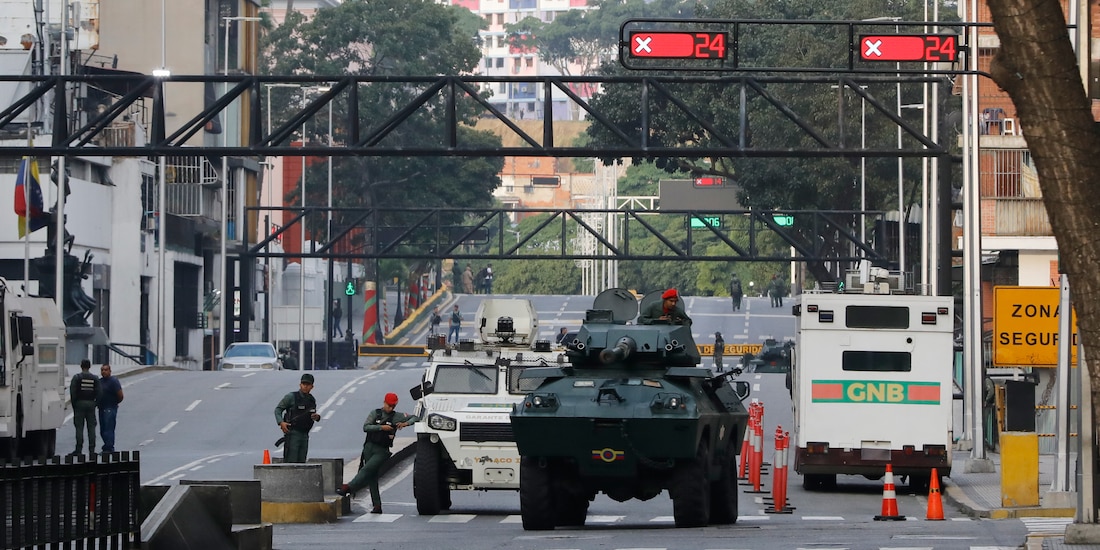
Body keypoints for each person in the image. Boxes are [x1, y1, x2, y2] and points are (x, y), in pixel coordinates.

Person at [337, 392, 419, 513]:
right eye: (389, 405)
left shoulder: (397, 416)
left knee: (366, 470)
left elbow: (415, 417)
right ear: (384, 402)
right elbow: (366, 427)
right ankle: (377, 506)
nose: (390, 408)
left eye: (393, 406)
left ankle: (348, 488)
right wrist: (381, 428)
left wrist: (406, 423)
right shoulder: (375, 413)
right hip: (369, 447)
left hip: (382, 451)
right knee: (372, 477)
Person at [274, 373, 321, 463]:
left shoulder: (311, 400)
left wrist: (316, 417)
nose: (305, 387)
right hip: (293, 433)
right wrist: (281, 422)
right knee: (292, 460)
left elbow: (313, 414)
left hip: (305, 434)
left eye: (308, 385)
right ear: (300, 385)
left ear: (312, 386)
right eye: (303, 384)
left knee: (302, 461)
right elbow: (278, 410)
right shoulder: (291, 397)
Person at [68, 359, 99, 457]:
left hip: (79, 403)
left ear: (81, 366)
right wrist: (95, 403)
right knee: (91, 427)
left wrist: (75, 404)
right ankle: (92, 450)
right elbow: (99, 392)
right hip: (90, 403)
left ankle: (78, 449)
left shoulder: (77, 377)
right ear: (90, 366)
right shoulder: (95, 378)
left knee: (79, 427)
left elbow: (73, 393)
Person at [97, 364, 124, 454]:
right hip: (101, 408)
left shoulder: (113, 381)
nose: (103, 372)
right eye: (102, 370)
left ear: (110, 371)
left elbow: (120, 395)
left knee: (109, 428)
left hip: (110, 407)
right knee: (103, 429)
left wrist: (114, 403)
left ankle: (109, 447)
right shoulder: (100, 381)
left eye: (105, 370)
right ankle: (106, 446)